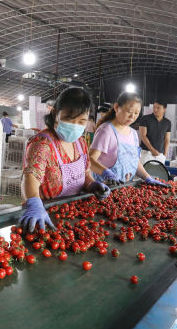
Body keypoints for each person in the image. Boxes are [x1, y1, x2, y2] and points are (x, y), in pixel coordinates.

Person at [19, 88, 110, 231]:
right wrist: (35, 205)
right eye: (69, 118)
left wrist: (92, 185)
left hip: (73, 216)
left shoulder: (80, 142)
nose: (75, 125)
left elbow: (85, 174)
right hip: (44, 218)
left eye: (82, 121)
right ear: (55, 113)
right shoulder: (43, 144)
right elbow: (31, 178)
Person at [89, 92, 170, 188]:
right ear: (116, 107)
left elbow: (135, 162)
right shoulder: (106, 130)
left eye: (136, 113)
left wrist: (147, 177)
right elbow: (90, 160)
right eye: (129, 111)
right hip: (104, 188)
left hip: (124, 188)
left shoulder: (134, 134)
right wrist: (106, 172)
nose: (132, 117)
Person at [138, 101, 172, 165]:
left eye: (158, 108)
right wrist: (152, 150)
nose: (155, 109)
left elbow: (167, 140)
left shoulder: (167, 122)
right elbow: (143, 135)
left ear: (164, 109)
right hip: (146, 153)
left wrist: (164, 155)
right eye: (154, 107)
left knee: (158, 175)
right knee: (143, 174)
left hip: (160, 155)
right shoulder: (145, 118)